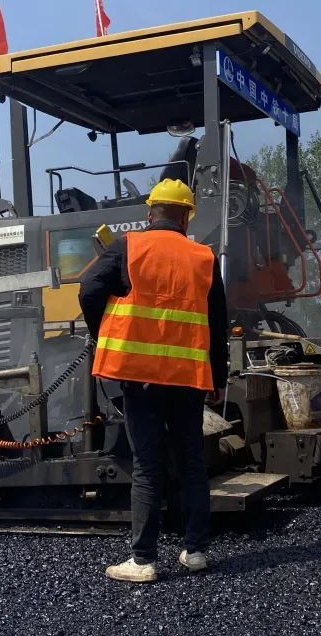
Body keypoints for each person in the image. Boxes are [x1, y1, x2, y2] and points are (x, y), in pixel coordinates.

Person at [79, 178, 228, 583]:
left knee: (147, 465)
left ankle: (143, 560)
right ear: (186, 217)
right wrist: (219, 377)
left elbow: (89, 289)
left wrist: (102, 332)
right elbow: (217, 323)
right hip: (188, 377)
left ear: (149, 213)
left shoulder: (128, 247)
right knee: (192, 461)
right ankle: (196, 551)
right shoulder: (203, 257)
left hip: (139, 376)